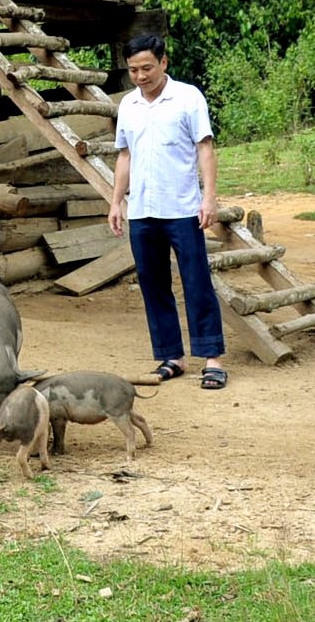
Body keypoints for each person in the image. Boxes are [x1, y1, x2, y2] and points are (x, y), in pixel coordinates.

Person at [107, 33, 228, 389]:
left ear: (163, 62)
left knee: (196, 281)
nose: (141, 76)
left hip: (182, 207)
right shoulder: (128, 105)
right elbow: (124, 155)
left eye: (147, 67)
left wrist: (209, 197)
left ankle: (212, 358)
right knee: (153, 283)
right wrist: (116, 201)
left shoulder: (188, 98)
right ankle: (171, 356)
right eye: (133, 70)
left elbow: (205, 147)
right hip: (143, 210)